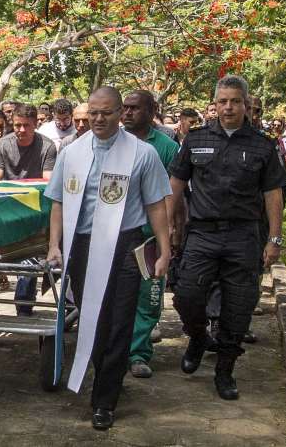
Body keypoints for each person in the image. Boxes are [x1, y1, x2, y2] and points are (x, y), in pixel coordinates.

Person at [45, 86, 172, 430]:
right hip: (83, 246)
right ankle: (104, 374)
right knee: (94, 320)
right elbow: (57, 201)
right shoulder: (72, 152)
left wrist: (164, 249)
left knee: (120, 322)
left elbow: (157, 205)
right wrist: (54, 245)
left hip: (125, 246)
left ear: (120, 114)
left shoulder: (142, 154)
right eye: (94, 113)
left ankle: (105, 399)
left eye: (107, 113)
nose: (99, 119)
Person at [170, 75, 286, 402]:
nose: (229, 107)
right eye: (223, 101)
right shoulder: (195, 140)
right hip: (203, 234)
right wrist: (169, 227)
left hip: (243, 235)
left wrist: (274, 239)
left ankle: (225, 369)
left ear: (246, 105)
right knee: (187, 295)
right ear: (215, 104)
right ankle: (196, 336)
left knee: (238, 309)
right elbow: (176, 185)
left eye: (235, 101)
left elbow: (273, 194)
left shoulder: (263, 144)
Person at [121, 90, 179, 380]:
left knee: (149, 297)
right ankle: (116, 350)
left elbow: (171, 193)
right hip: (119, 235)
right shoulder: (112, 143)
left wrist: (168, 230)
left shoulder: (166, 147)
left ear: (151, 110)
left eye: (134, 108)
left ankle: (139, 353)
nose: (128, 113)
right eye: (125, 108)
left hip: (150, 237)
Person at [0, 104, 58, 315]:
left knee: (30, 256)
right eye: (17, 125)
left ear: (35, 125)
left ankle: (24, 304)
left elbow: (47, 183)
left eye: (26, 126)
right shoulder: (3, 145)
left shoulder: (47, 147)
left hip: (36, 207)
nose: (21, 130)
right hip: (7, 205)